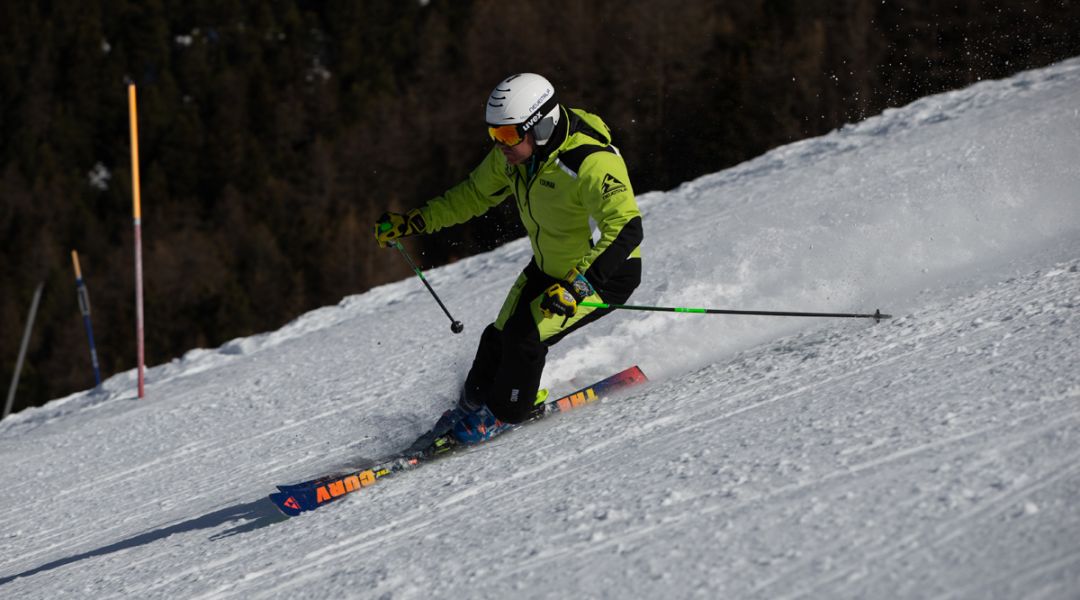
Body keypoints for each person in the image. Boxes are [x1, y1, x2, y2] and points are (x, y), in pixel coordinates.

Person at [374, 73, 643, 445]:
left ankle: (508, 413)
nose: (499, 146)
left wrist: (579, 286)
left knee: (523, 339)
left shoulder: (590, 162)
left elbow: (627, 229)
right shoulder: (518, 155)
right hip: (550, 268)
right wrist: (415, 222)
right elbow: (472, 195)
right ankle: (472, 406)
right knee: (496, 340)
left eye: (506, 136)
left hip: (603, 274)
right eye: (494, 135)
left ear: (542, 126)